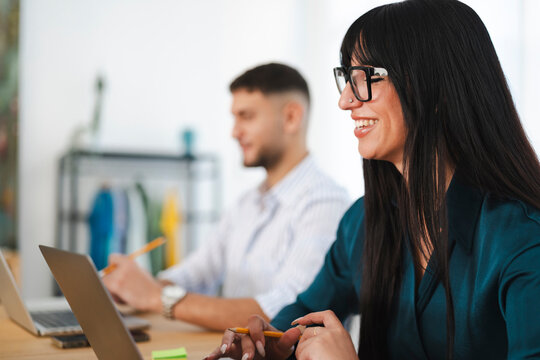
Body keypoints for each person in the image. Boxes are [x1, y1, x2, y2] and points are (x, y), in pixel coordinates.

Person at [206, 1, 540, 359]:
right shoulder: (361, 222)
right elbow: (303, 314)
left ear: (435, 86)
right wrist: (268, 343)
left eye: (365, 77)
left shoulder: (522, 240)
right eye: (346, 78)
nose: (345, 100)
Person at [102, 63, 350, 331]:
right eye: (234, 118)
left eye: (246, 116)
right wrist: (136, 287)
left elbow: (288, 312)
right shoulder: (246, 203)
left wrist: (156, 298)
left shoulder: (325, 204)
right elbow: (199, 270)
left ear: (291, 117)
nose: (234, 132)